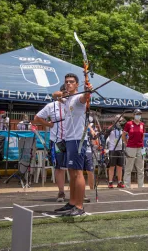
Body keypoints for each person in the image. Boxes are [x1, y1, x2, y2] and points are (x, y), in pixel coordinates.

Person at [53, 73, 92, 216]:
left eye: (72, 82)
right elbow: (54, 95)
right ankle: (72, 203)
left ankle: (79, 206)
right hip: (69, 139)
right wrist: (62, 93)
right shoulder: (67, 99)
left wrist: (88, 91)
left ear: (77, 85)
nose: (69, 84)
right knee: (71, 172)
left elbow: (85, 98)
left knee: (77, 173)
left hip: (77, 139)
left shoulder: (77, 99)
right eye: (67, 82)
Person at [34, 84, 67, 202]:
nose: (66, 94)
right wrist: (49, 124)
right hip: (57, 140)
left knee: (74, 168)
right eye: (64, 91)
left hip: (72, 139)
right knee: (59, 167)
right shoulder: (51, 106)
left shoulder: (74, 104)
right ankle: (61, 192)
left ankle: (77, 193)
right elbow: (37, 118)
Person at [122, 109, 145, 189]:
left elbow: (143, 136)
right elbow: (123, 135)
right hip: (131, 147)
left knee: (141, 168)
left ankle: (141, 186)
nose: (138, 115)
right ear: (133, 115)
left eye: (140, 114)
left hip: (140, 147)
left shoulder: (142, 124)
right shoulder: (129, 124)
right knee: (128, 168)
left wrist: (142, 146)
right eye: (137, 114)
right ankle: (127, 186)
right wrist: (126, 143)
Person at [105, 115, 126, 188]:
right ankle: (110, 182)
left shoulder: (121, 128)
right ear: (116, 120)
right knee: (112, 166)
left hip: (120, 149)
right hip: (112, 149)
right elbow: (105, 136)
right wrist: (104, 148)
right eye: (120, 120)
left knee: (120, 166)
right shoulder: (111, 128)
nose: (121, 122)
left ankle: (119, 181)